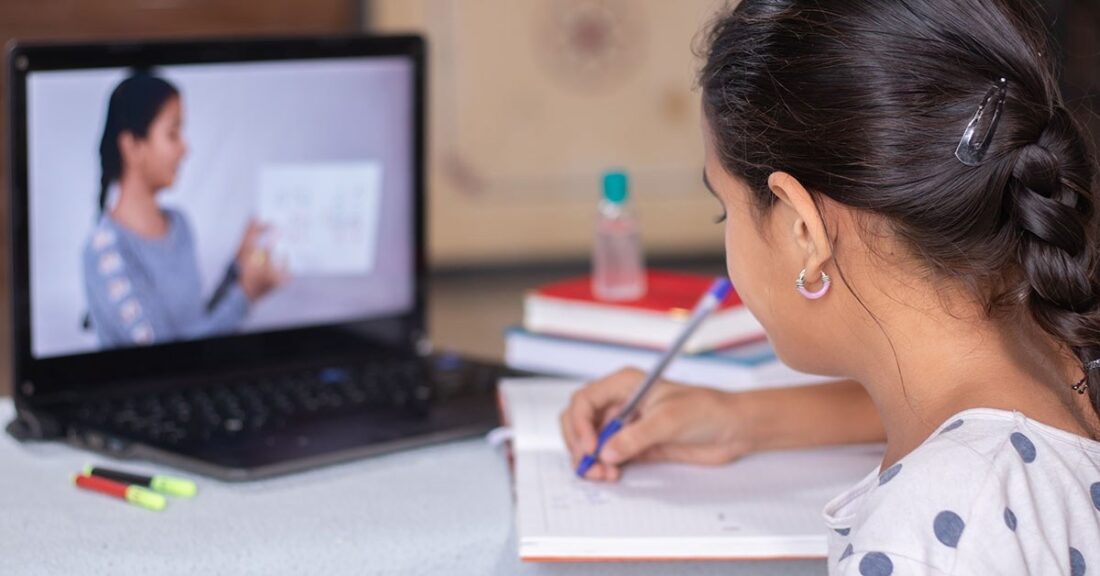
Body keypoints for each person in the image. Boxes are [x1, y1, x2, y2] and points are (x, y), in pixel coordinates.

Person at [560, 1, 1100, 573]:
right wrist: (743, 419)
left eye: (727, 212)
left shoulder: (925, 540)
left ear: (803, 231)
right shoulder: (1066, 347)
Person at [83, 72, 284, 348]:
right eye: (172, 134)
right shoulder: (104, 252)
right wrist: (246, 295)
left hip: (198, 385)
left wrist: (238, 266)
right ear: (132, 146)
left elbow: (195, 326)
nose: (185, 148)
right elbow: (166, 359)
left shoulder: (179, 224)